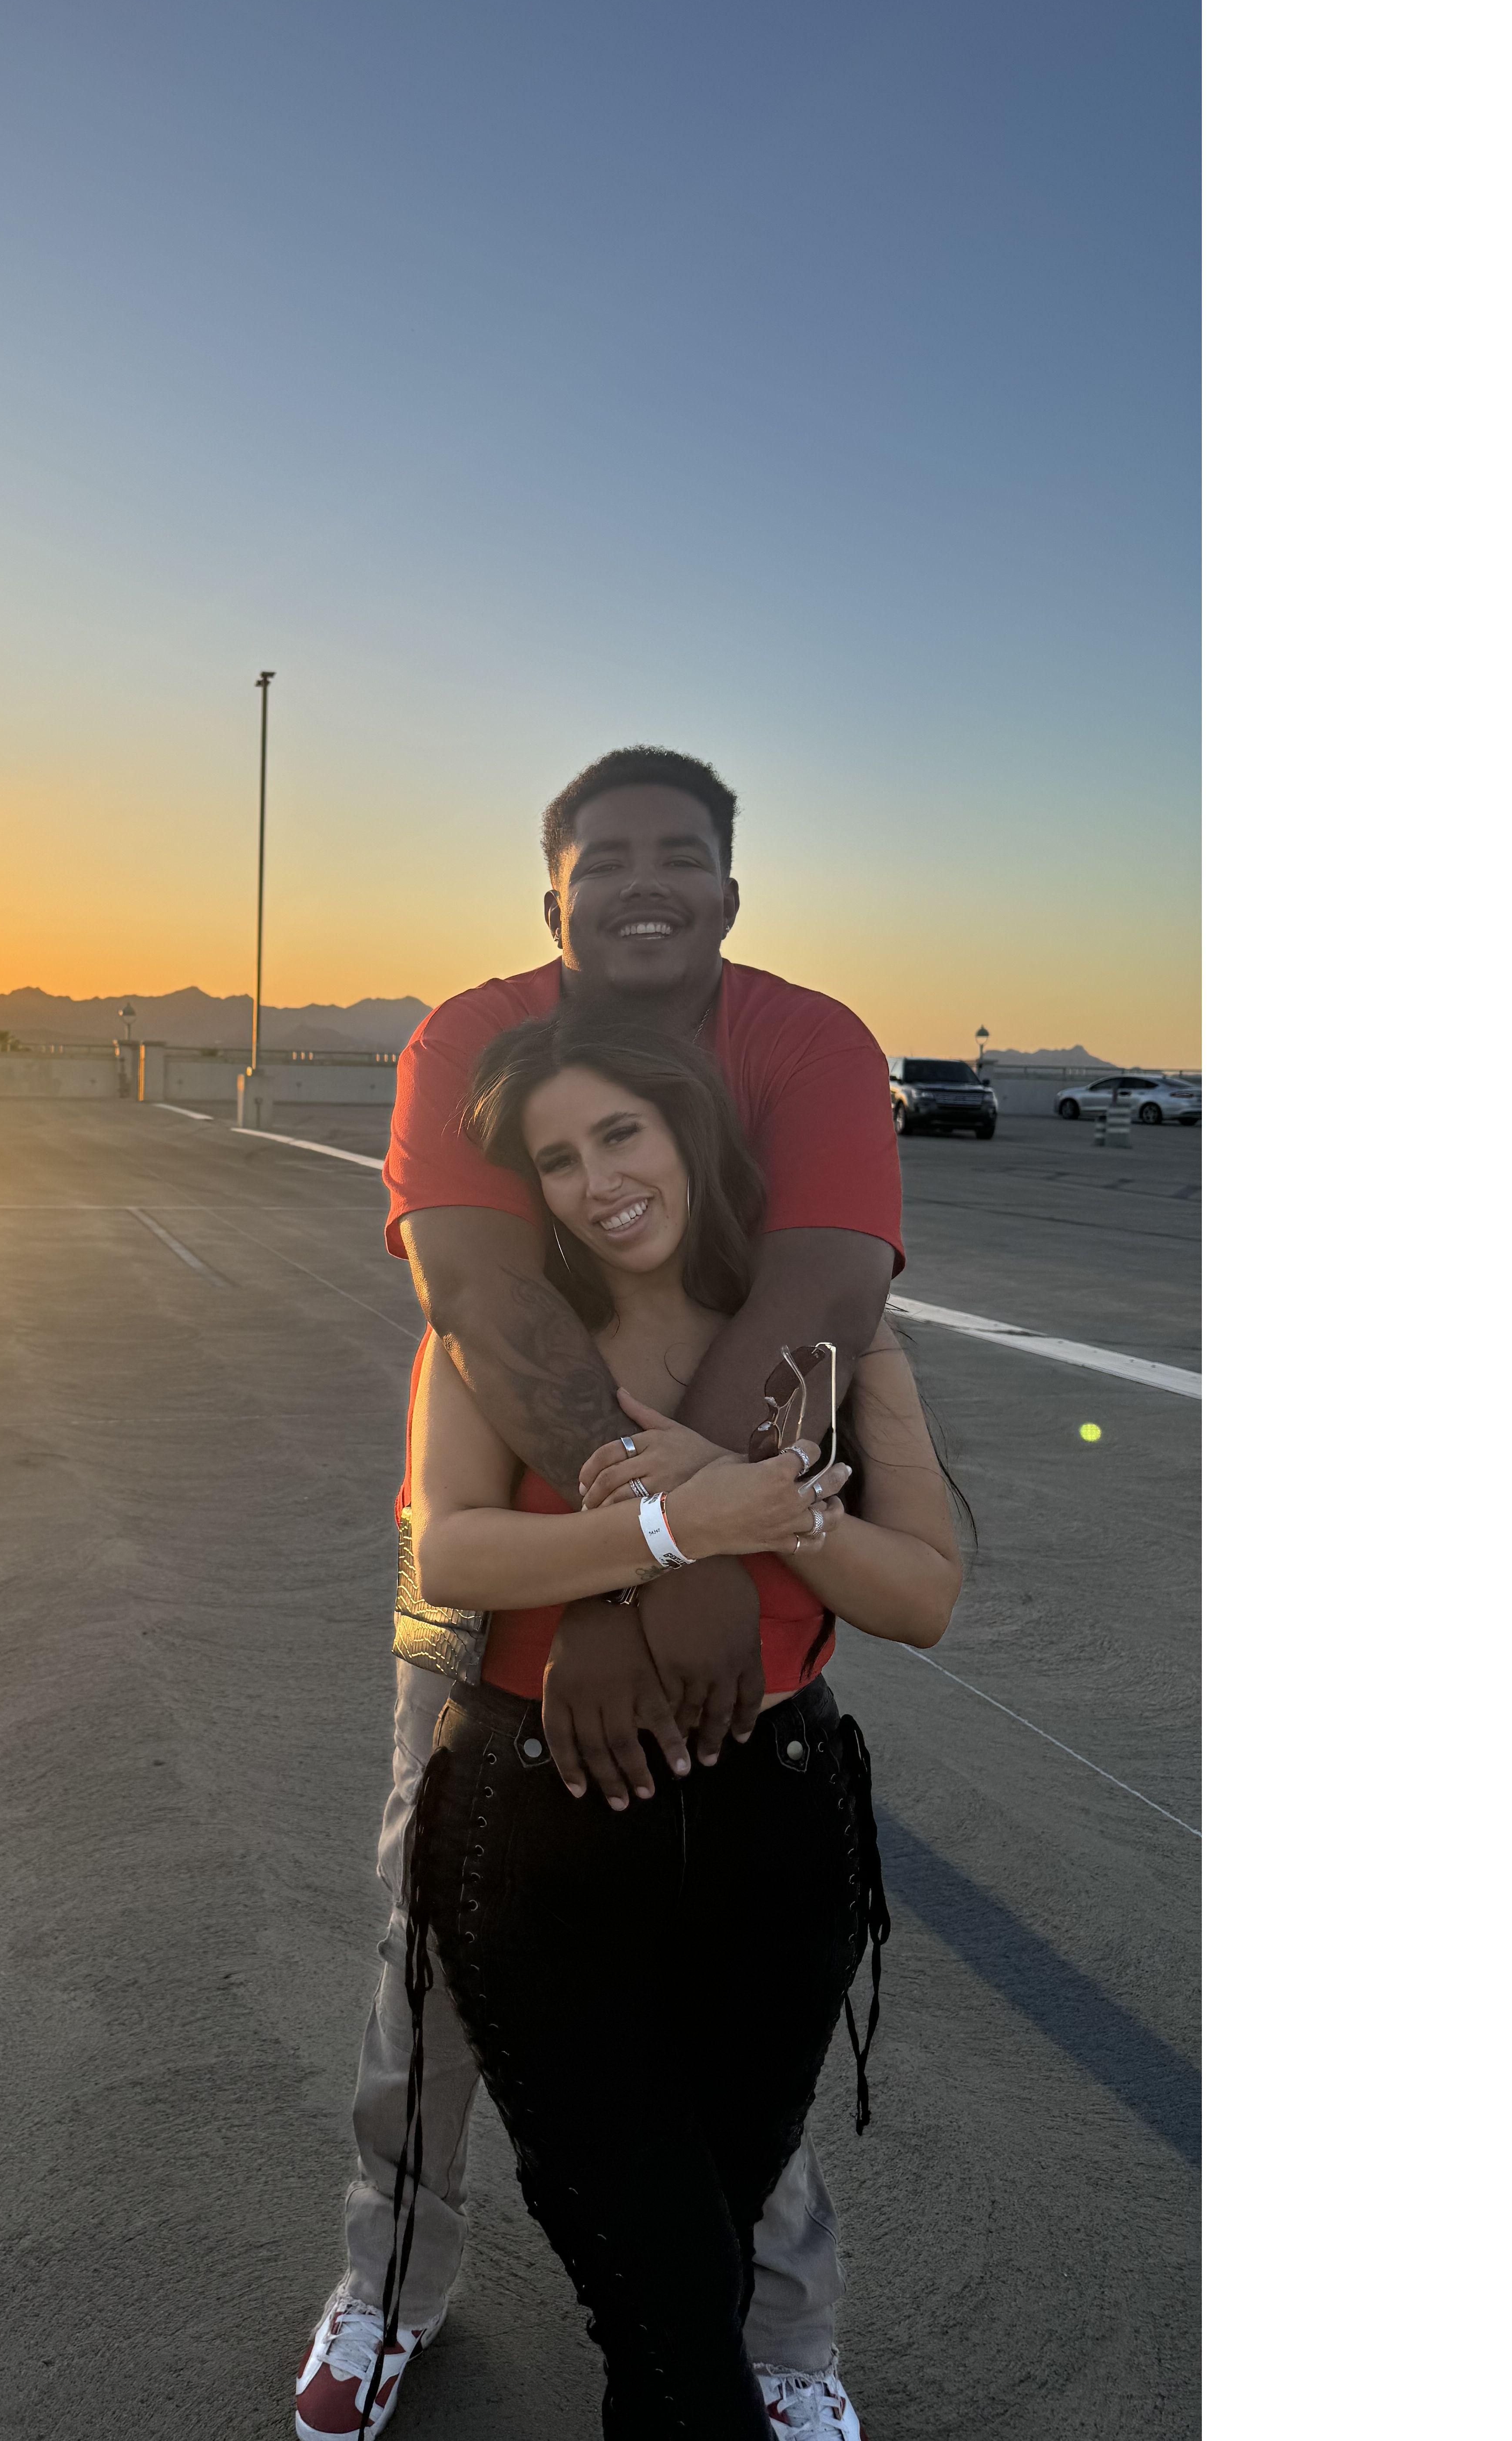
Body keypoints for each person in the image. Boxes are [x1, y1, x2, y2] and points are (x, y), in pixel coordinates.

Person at [295, 749, 906, 2440]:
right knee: (435, 1974)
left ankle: (775, 2334)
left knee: (737, 2006)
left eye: (681, 854)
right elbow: (485, 1296)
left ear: (730, 887)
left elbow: (826, 1290)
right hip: (500, 1590)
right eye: (606, 860)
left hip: (745, 1587)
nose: (646, 882)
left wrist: (689, 1561)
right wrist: (655, 1551)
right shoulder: (474, 1038)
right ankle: (390, 2285)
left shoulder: (808, 1043)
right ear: (552, 898)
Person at [394, 1007, 961, 2436]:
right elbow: (451, 1554)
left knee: (697, 2256)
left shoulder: (841, 1353)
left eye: (621, 1135)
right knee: (656, 2280)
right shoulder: (499, 1349)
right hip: (543, 1831)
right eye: (558, 1159)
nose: (598, 1181)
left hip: (776, 1834)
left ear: (692, 1137)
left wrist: (759, 1503)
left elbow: (923, 1596)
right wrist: (670, 1531)